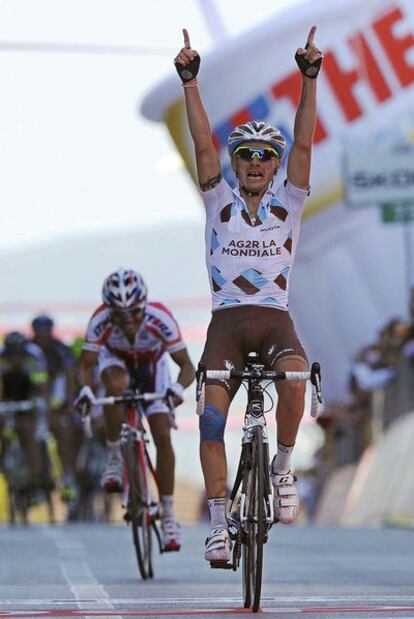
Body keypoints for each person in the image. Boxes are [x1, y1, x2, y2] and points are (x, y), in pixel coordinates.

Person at [174, 26, 323, 562]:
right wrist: (191, 84)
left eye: (265, 155)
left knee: (298, 376)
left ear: (275, 165)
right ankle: (217, 525)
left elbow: (304, 140)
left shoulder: (291, 203)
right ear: (235, 164)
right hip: (227, 326)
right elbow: (200, 141)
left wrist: (309, 79)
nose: (256, 161)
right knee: (212, 421)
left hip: (275, 319)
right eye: (246, 155)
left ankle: (281, 470)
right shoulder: (219, 201)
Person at [75, 267, 195, 550]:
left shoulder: (160, 318)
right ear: (109, 311)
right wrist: (85, 390)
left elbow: (187, 365)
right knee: (116, 386)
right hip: (116, 365)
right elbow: (86, 366)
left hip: (154, 369)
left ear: (144, 306)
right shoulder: (99, 321)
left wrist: (177, 389)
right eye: (119, 315)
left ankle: (168, 517)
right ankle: (116, 456)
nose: (128, 321)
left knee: (162, 434)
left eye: (134, 313)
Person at [31, 314, 78, 502]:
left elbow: (70, 377)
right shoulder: (28, 350)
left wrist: (67, 402)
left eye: (46, 334)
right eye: (39, 334)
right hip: (34, 395)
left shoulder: (61, 350)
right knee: (29, 433)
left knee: (61, 431)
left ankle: (67, 477)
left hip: (56, 395)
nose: (43, 338)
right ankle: (34, 480)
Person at [0, 331, 50, 499]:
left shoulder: (33, 357)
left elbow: (41, 386)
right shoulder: (1, 359)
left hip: (28, 395)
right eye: (11, 356)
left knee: (28, 432)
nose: (15, 359)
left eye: (18, 355)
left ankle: (34, 478)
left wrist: (42, 404)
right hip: (7, 395)